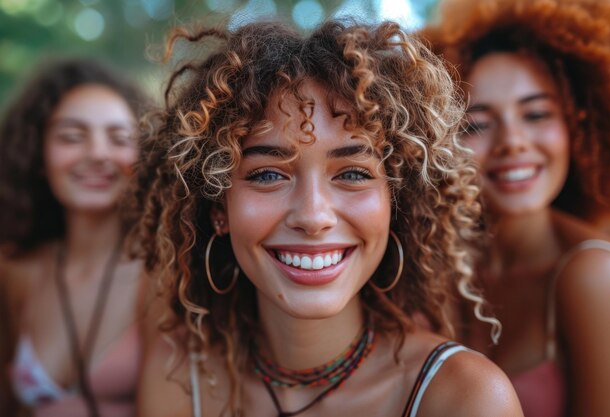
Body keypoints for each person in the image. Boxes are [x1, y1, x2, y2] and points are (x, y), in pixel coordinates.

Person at [132, 19, 523, 417]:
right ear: (219, 208)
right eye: (268, 174)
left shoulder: (465, 398)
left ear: (395, 203)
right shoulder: (179, 375)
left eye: (353, 173)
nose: (313, 216)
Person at [423, 1, 610, 416]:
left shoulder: (599, 278)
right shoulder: (432, 265)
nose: (512, 141)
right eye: (476, 124)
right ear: (439, 140)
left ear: (579, 124)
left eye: (536, 113)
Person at [0, 58, 147, 417]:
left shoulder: (165, 275)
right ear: (38, 153)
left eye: (119, 138)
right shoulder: (14, 269)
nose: (97, 154)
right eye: (71, 136)